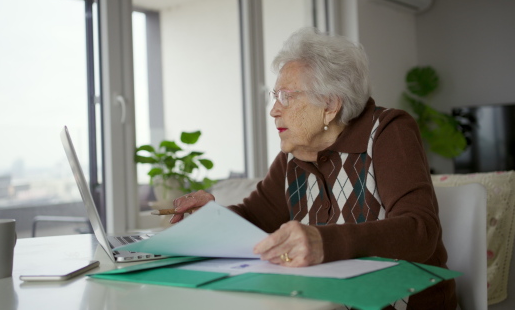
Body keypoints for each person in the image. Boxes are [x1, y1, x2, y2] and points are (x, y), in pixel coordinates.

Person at [170, 27, 457, 309]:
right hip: (326, 301)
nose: (274, 110)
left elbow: (420, 230)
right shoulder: (295, 154)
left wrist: (323, 242)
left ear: (330, 105)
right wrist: (211, 220)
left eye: (287, 96)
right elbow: (253, 220)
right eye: (275, 96)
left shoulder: (387, 132)